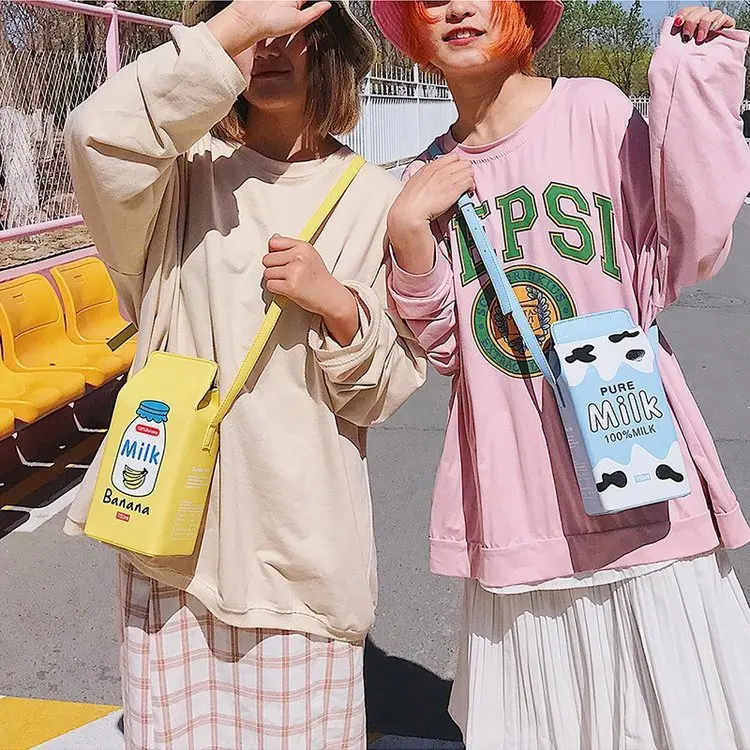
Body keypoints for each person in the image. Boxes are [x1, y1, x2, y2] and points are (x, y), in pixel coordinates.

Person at [373, 1, 750, 747]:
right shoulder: (425, 178)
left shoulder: (592, 111)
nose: (456, 8)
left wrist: (696, 77)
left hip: (634, 474)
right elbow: (446, 346)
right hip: (519, 498)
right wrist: (410, 234)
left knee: (677, 719)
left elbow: (687, 244)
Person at [63, 1, 426, 747]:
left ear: (327, 47)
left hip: (299, 550)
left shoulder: (376, 198)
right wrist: (232, 28)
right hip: (175, 542)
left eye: (291, 30)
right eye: (251, 27)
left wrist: (337, 305)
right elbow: (96, 134)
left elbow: (385, 388)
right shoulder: (178, 180)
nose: (268, 47)